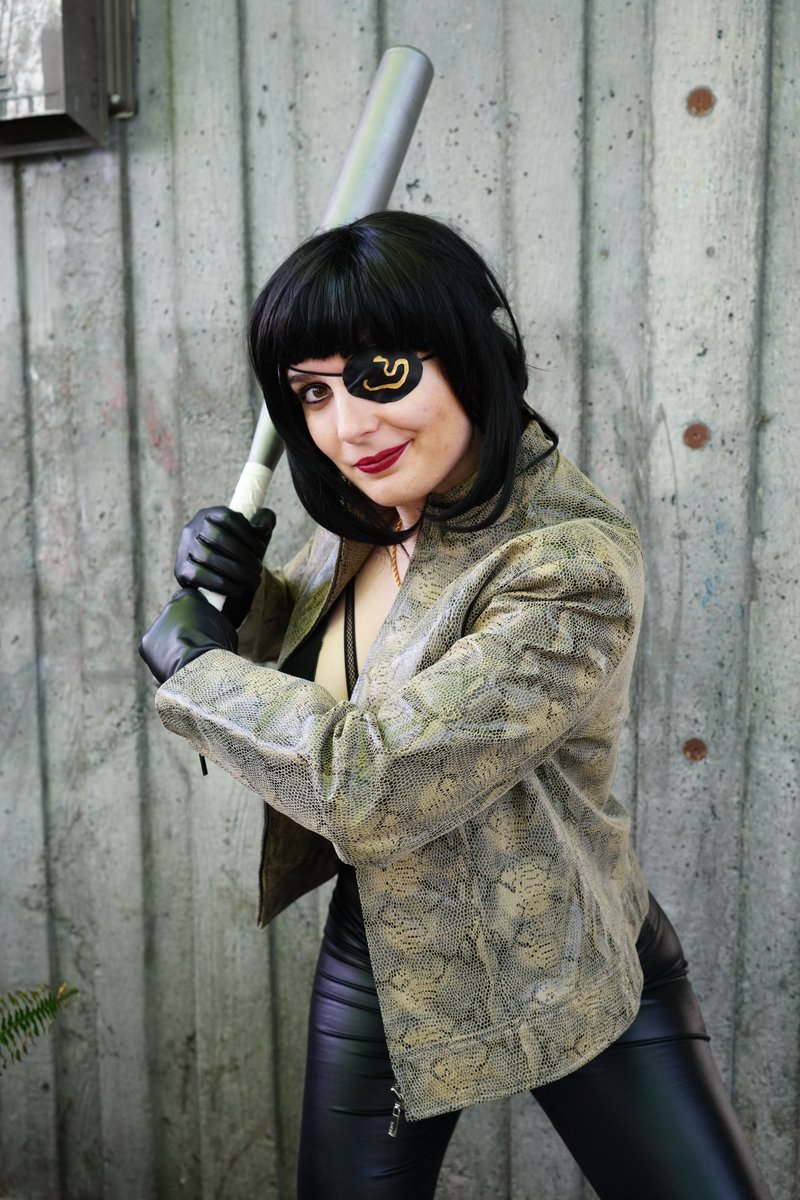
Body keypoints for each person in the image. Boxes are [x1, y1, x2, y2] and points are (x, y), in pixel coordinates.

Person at [140, 211, 772, 1199]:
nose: (349, 427)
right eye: (313, 391)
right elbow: (331, 668)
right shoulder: (378, 511)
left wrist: (195, 669)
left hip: (564, 952)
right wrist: (246, 599)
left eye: (381, 374)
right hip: (391, 949)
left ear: (473, 352)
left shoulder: (567, 567)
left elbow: (370, 782)